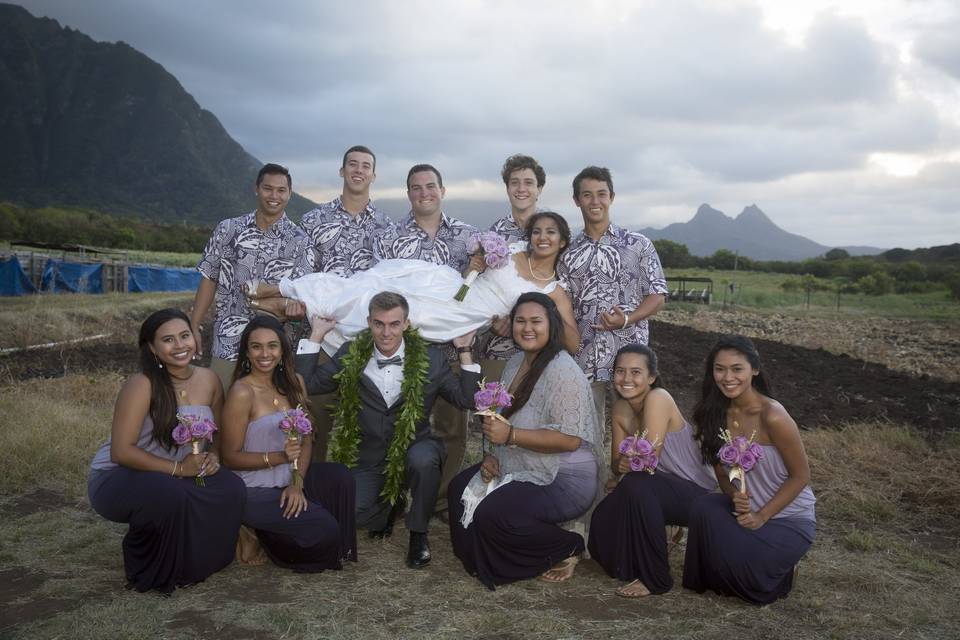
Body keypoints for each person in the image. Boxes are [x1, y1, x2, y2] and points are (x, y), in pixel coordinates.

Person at [296, 292, 481, 569]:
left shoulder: (431, 358)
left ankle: (418, 533)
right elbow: (306, 383)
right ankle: (388, 507)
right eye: (379, 324)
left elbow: (466, 400)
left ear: (406, 323)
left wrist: (465, 351)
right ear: (369, 323)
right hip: (369, 455)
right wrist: (317, 335)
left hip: (415, 447)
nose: (386, 332)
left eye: (394, 324)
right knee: (355, 515)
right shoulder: (351, 353)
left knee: (423, 460)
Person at [250, 211, 579, 356]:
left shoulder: (554, 290)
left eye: (551, 232)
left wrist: (538, 320)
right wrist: (475, 263)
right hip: (455, 286)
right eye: (537, 231)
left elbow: (573, 342)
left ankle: (296, 301)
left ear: (563, 241)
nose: (542, 237)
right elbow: (473, 271)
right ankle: (285, 288)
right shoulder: (511, 249)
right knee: (377, 280)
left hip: (464, 314)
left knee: (388, 310)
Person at [447, 292, 603, 590]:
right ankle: (481, 556)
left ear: (552, 325)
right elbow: (499, 419)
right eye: (520, 321)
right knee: (460, 490)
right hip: (516, 462)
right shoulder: (515, 361)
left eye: (536, 321)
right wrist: (492, 455)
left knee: (496, 513)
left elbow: (570, 440)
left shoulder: (564, 371)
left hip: (561, 477)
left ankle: (568, 546)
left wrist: (512, 436)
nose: (527, 328)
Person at [88, 308, 245, 593]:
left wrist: (215, 456)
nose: (180, 345)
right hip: (120, 476)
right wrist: (178, 469)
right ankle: (149, 571)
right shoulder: (142, 385)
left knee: (230, 487)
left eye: (185, 336)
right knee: (169, 493)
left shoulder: (209, 380)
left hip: (177, 475)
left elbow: (218, 431)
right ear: (152, 347)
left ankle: (198, 562)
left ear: (195, 338)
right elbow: (121, 452)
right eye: (168, 340)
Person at [373, 164, 478, 522]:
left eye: (430, 186)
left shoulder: (468, 237)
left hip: (450, 351)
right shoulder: (391, 238)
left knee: (452, 428)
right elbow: (377, 289)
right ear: (408, 194)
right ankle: (394, 496)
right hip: (404, 351)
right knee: (400, 426)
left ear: (442, 190)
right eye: (416, 188)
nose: (424, 193)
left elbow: (477, 289)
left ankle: (438, 500)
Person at [682, 335, 816, 604]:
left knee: (749, 583)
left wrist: (762, 516)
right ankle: (732, 560)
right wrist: (734, 496)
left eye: (737, 369)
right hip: (747, 513)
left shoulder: (772, 415)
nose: (727, 377)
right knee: (703, 507)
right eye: (719, 369)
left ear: (754, 369)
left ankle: (785, 568)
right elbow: (722, 473)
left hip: (787, 517)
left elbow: (801, 476)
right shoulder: (715, 414)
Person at [220, 315, 357, 572]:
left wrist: (297, 482)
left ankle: (333, 544)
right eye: (256, 346)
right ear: (246, 352)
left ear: (282, 350)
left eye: (272, 345)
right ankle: (259, 533)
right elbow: (229, 457)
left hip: (289, 477)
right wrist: (280, 457)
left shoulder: (295, 384)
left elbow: (306, 440)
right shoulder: (242, 392)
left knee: (341, 477)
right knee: (324, 529)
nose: (265, 353)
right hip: (253, 488)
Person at [587, 344, 717, 597]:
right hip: (654, 488)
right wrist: (620, 467)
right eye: (620, 371)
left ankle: (655, 577)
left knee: (635, 484)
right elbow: (617, 464)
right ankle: (639, 553)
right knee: (603, 516)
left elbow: (648, 461)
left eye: (636, 372)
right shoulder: (620, 409)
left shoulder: (659, 398)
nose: (626, 379)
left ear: (651, 377)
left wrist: (624, 478)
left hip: (697, 495)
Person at [297, 145, 394, 461]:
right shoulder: (314, 219)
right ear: (342, 171)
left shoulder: (387, 227)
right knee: (316, 421)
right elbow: (303, 274)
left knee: (369, 427)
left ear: (373, 175)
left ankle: (363, 501)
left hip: (369, 341)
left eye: (366, 166)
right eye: (352, 164)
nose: (358, 170)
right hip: (323, 336)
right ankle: (309, 493)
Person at [559, 166, 668, 427]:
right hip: (583, 354)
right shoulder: (567, 252)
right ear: (576, 200)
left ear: (612, 197)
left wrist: (628, 318)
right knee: (586, 427)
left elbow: (658, 294)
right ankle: (594, 470)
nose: (595, 201)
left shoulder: (638, 244)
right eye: (587, 195)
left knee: (635, 426)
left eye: (601, 194)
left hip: (630, 354)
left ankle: (633, 468)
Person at [190, 163, 313, 391]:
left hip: (274, 348)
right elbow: (209, 278)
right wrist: (194, 324)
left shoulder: (300, 241)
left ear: (289, 194)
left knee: (267, 414)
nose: (274, 196)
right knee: (220, 404)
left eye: (281, 190)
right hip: (228, 339)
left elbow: (300, 295)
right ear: (256, 189)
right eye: (268, 188)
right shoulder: (228, 230)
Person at [480, 154, 548, 378]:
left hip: (542, 348)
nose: (521, 189)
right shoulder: (493, 234)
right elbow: (483, 287)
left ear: (539, 188)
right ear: (507, 188)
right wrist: (494, 322)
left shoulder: (552, 229)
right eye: (514, 182)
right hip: (498, 347)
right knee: (493, 411)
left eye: (528, 182)